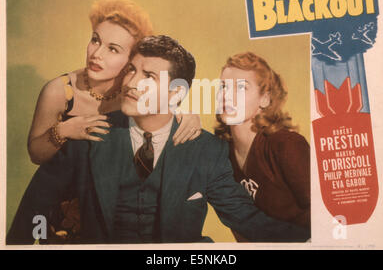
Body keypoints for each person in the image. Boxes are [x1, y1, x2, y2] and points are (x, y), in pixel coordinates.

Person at [7, 35, 310, 244]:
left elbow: (247, 219)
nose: (131, 83)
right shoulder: (87, 134)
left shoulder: (207, 151)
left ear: (176, 93)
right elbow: (35, 206)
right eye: (131, 70)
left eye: (148, 77)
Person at [27, 0, 201, 166]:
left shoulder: (134, 92)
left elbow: (162, 112)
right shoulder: (59, 91)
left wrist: (188, 116)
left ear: (132, 59)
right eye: (95, 40)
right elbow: (35, 155)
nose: (96, 55)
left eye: (113, 49)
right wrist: (63, 130)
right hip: (60, 187)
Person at [215, 52, 311, 241]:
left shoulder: (286, 145)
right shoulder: (219, 154)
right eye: (223, 86)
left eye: (241, 87)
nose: (226, 95)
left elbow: (330, 214)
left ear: (265, 99)